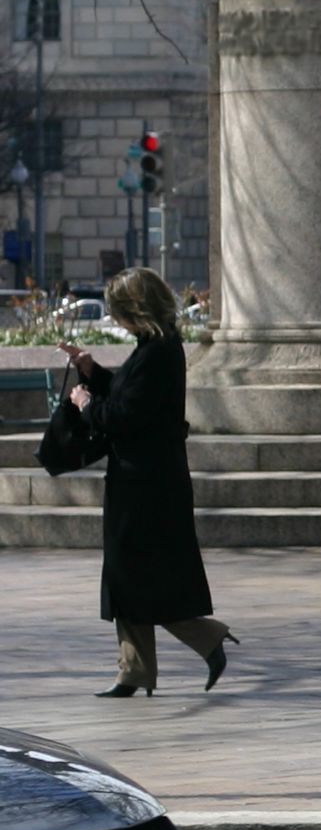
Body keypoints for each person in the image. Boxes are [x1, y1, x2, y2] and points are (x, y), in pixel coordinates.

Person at [58, 267, 235, 697]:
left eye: (120, 312)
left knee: (138, 576)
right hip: (144, 478)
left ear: (134, 310)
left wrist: (85, 405)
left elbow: (125, 416)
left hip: (147, 484)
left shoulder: (159, 352)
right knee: (130, 575)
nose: (118, 321)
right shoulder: (156, 347)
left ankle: (206, 638)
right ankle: (135, 670)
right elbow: (127, 393)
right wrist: (93, 371)